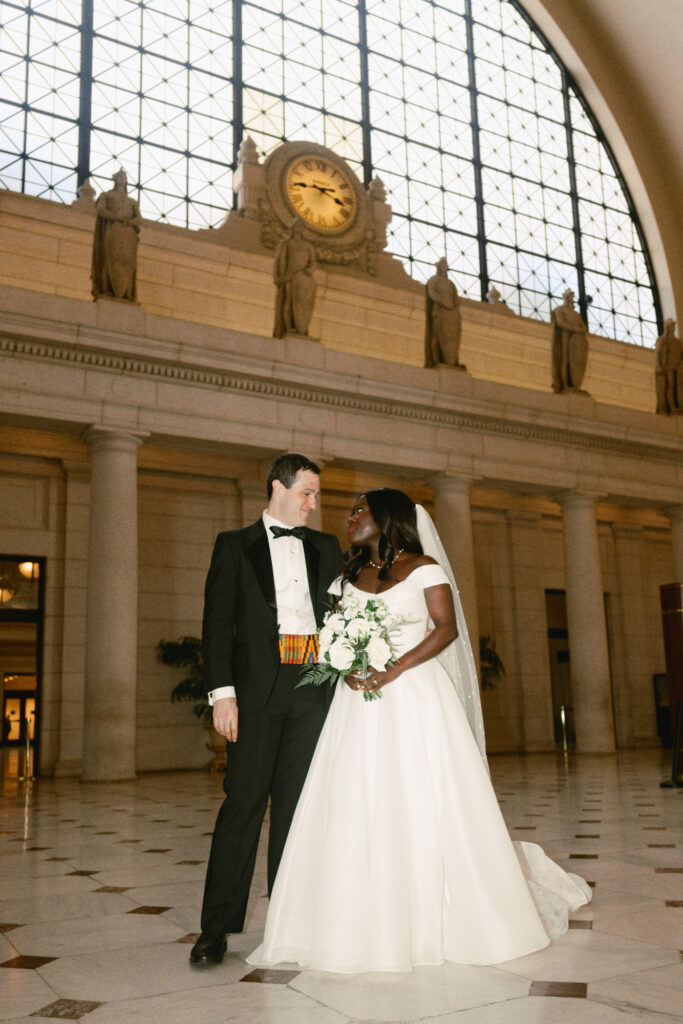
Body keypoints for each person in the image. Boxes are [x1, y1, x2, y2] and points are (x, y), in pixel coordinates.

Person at [248, 489, 590, 972]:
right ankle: (354, 920)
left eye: (360, 510)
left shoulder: (425, 568)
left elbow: (444, 628)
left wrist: (393, 669)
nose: (350, 518)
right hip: (357, 703)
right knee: (353, 797)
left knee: (422, 793)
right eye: (350, 511)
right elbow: (329, 633)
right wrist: (344, 664)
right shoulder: (347, 577)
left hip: (413, 694)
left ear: (387, 518)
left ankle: (443, 916)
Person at [190, 454, 343, 967]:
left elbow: (342, 618)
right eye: (306, 493)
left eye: (316, 495)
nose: (313, 504)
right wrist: (222, 694)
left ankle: (291, 921)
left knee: (298, 811)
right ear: (278, 488)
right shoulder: (234, 546)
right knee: (243, 806)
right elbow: (217, 625)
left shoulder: (326, 547)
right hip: (255, 692)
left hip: (312, 687)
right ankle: (215, 928)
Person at [91, 168, 141, 301]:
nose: (121, 179)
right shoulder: (106, 196)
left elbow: (139, 219)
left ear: (126, 182)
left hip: (128, 234)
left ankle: (127, 292)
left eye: (124, 177)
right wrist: (117, 218)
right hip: (113, 230)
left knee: (127, 263)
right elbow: (101, 210)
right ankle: (107, 289)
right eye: (119, 176)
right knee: (110, 257)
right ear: (114, 179)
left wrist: (129, 221)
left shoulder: (131, 201)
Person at [272, 217, 317, 338]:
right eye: (296, 226)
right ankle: (288, 327)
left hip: (302, 278)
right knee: (288, 302)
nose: (298, 229)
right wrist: (278, 277)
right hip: (289, 277)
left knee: (301, 303)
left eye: (300, 226)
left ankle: (301, 328)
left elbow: (312, 262)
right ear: (292, 228)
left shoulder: (308, 246)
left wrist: (308, 270)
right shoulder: (286, 243)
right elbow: (280, 260)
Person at [424, 258, 464, 368]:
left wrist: (454, 307)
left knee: (452, 338)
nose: (444, 265)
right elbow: (432, 294)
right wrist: (444, 302)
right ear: (439, 266)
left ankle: (452, 360)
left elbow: (455, 298)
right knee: (438, 335)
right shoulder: (434, 280)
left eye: (446, 264)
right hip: (440, 311)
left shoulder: (450, 283)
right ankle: (436, 360)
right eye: (442, 263)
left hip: (451, 314)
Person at [550, 289, 588, 392]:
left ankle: (574, 385)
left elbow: (583, 328)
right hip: (565, 337)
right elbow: (560, 323)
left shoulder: (576, 314)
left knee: (574, 362)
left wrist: (578, 330)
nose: (570, 298)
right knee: (565, 360)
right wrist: (576, 329)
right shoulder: (560, 310)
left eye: (571, 296)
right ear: (564, 297)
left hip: (575, 340)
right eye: (569, 296)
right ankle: (565, 386)